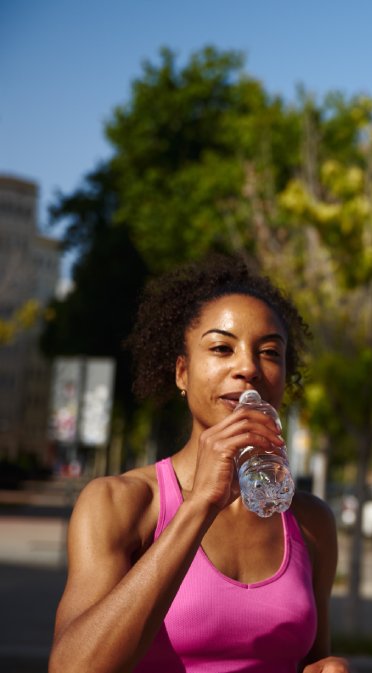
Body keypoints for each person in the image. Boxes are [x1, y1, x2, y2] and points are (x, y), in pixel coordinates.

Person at [50, 256, 350, 673]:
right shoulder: (119, 503)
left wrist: (327, 669)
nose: (247, 367)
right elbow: (71, 668)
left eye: (269, 352)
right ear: (182, 373)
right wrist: (198, 506)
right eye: (221, 348)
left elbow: (311, 659)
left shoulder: (311, 522)